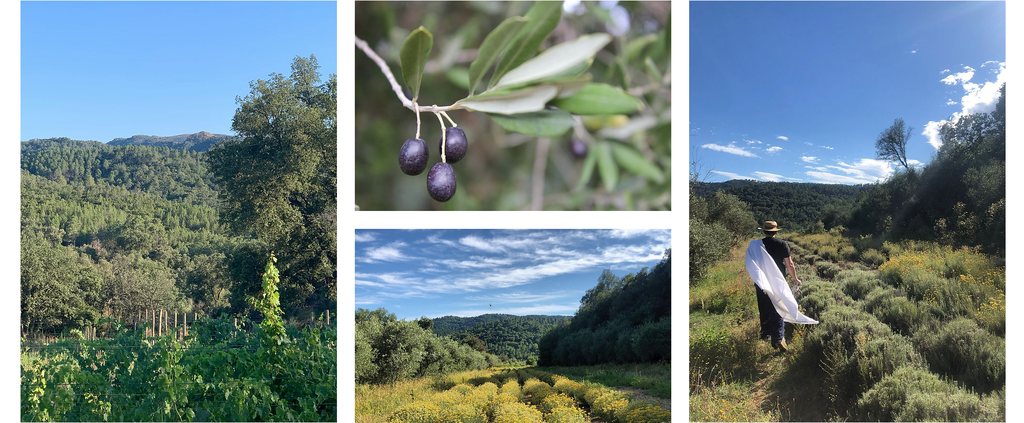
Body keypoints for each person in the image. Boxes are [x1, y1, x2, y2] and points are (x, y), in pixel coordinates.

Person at [754, 221, 803, 352]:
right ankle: (778, 338)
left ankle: (766, 333)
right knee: (778, 307)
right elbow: (789, 264)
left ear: (764, 231)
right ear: (775, 232)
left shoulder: (756, 245)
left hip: (761, 281)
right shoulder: (782, 244)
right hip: (777, 281)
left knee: (763, 306)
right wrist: (795, 278)